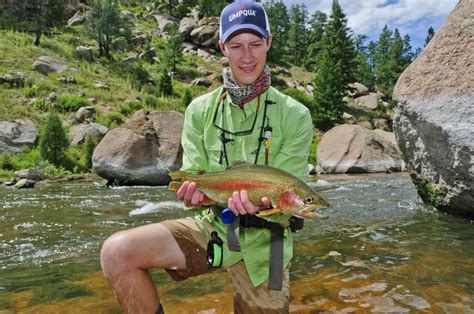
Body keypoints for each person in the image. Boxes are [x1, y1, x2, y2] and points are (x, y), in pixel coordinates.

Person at [100, 1, 313, 313]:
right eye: (237, 46)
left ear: (269, 42)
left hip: (267, 244)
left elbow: (290, 200)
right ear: (221, 48)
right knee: (117, 252)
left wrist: (264, 205)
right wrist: (194, 194)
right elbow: (194, 174)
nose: (247, 56)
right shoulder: (199, 110)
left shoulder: (296, 115)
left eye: (255, 44)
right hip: (213, 227)